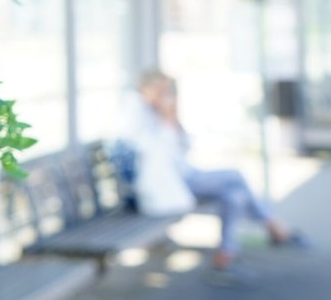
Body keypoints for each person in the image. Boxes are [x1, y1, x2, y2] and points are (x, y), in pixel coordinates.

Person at [123, 70, 306, 282]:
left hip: (181, 177)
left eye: (168, 91)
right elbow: (155, 155)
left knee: (233, 197)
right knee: (235, 177)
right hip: (169, 184)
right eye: (161, 91)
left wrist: (173, 119)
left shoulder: (157, 114)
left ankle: (225, 258)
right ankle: (273, 228)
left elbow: (184, 149)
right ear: (147, 89)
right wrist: (166, 119)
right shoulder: (137, 113)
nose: (166, 96)